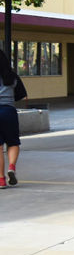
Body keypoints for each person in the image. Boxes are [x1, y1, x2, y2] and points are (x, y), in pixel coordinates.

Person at [0, 48, 24, 189]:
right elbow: (20, 95)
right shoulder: (12, 76)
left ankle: (1, 180)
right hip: (9, 111)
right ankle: (11, 167)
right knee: (13, 142)